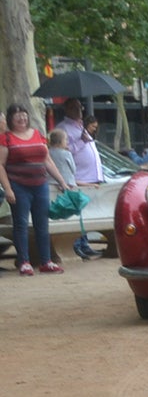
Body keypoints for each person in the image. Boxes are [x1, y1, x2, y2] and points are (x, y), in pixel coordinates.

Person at [1, 104, 74, 275]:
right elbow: (1, 165)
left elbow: (47, 161)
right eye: (17, 115)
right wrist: (8, 189)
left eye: (24, 114)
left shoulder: (37, 135)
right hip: (18, 185)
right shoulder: (7, 139)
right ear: (11, 119)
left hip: (40, 184)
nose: (21, 118)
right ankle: (24, 262)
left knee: (42, 224)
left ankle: (46, 261)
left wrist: (62, 182)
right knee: (21, 224)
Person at [49, 127, 97, 259]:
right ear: (60, 142)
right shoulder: (66, 154)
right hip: (68, 185)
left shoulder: (48, 153)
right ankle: (80, 245)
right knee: (76, 217)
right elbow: (73, 169)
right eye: (65, 140)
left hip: (52, 186)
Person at [59, 99, 103, 184]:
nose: (78, 110)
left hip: (95, 179)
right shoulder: (63, 128)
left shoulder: (83, 126)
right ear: (67, 109)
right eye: (74, 108)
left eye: (80, 107)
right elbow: (63, 153)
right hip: (81, 179)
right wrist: (81, 142)